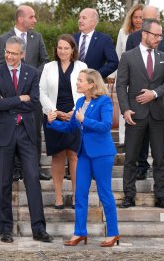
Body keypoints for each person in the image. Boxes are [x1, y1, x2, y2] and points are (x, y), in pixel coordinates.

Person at [0, 36, 53, 243]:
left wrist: (10, 102)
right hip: (3, 133)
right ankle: (5, 229)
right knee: (4, 182)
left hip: (26, 133)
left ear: (22, 54)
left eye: (14, 53)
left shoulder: (32, 73)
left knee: (33, 179)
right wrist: (19, 99)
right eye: (7, 51)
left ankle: (39, 229)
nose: (8, 56)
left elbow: (34, 102)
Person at [47, 69, 119, 247]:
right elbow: (70, 127)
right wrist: (51, 122)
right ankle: (79, 232)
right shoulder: (79, 101)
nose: (77, 83)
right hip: (84, 154)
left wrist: (84, 119)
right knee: (80, 194)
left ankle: (113, 233)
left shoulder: (104, 101)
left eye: (80, 80)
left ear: (91, 84)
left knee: (105, 193)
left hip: (102, 154)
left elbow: (106, 126)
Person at [117, 19, 164, 209]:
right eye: (155, 35)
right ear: (144, 34)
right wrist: (125, 109)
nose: (159, 39)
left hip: (158, 115)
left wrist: (154, 93)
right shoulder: (128, 56)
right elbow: (121, 85)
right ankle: (129, 196)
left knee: (159, 158)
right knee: (131, 158)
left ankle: (160, 197)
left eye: (161, 36)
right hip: (135, 115)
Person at [0, 4, 50, 182]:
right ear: (21, 19)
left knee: (34, 130)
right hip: (10, 95)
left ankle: (35, 168)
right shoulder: (4, 38)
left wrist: (29, 75)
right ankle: (15, 169)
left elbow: (45, 61)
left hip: (32, 94)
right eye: (32, 16)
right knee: (12, 130)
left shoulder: (37, 37)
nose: (35, 20)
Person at [125, 6, 164, 181]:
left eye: (150, 19)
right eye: (143, 19)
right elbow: (127, 68)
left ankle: (161, 167)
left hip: (163, 98)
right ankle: (141, 165)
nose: (145, 23)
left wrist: (156, 92)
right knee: (140, 136)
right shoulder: (133, 38)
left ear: (159, 18)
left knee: (162, 136)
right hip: (139, 99)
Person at [39, 34, 87, 209]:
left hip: (75, 115)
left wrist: (73, 112)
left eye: (66, 48)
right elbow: (41, 92)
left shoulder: (82, 66)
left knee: (74, 156)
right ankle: (58, 197)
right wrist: (53, 111)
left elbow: (86, 90)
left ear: (73, 49)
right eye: (60, 48)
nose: (62, 51)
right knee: (58, 156)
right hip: (53, 116)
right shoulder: (48, 67)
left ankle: (76, 196)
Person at [115, 4, 144, 149]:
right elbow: (118, 54)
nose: (138, 20)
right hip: (125, 73)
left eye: (141, 17)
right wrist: (115, 75)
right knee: (124, 104)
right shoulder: (123, 32)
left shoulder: (148, 33)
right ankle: (123, 139)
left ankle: (139, 140)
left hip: (143, 76)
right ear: (131, 18)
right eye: (136, 17)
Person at [74, 8, 118, 79]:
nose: (80, 20)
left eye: (84, 18)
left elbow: (114, 63)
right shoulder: (72, 38)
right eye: (79, 18)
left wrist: (96, 76)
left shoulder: (104, 39)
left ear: (93, 22)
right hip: (71, 83)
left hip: (93, 85)